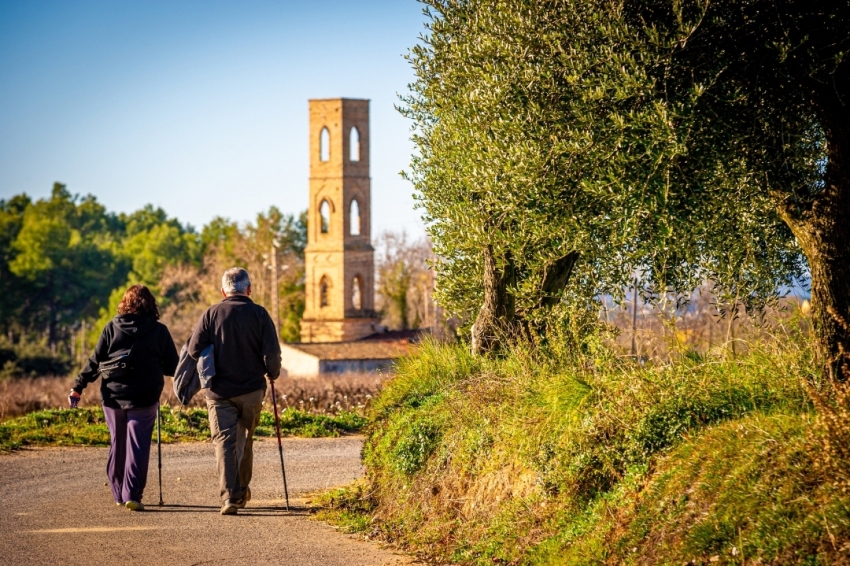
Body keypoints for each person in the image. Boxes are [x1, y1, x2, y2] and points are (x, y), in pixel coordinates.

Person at [70, 285, 179, 511]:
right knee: (138, 446)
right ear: (151, 304)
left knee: (118, 443)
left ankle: (118, 493)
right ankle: (133, 495)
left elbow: (95, 361)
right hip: (145, 396)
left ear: (125, 303)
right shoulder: (160, 331)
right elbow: (172, 366)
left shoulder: (112, 327)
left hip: (114, 396)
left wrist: (78, 386)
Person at [188, 267, 281, 515]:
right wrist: (273, 372)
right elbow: (272, 353)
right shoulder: (260, 314)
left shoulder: (211, 313)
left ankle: (229, 498)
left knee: (224, 444)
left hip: (219, 392)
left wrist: (213, 357)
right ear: (248, 289)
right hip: (252, 390)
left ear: (223, 291)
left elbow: (193, 350)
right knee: (246, 441)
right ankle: (240, 493)